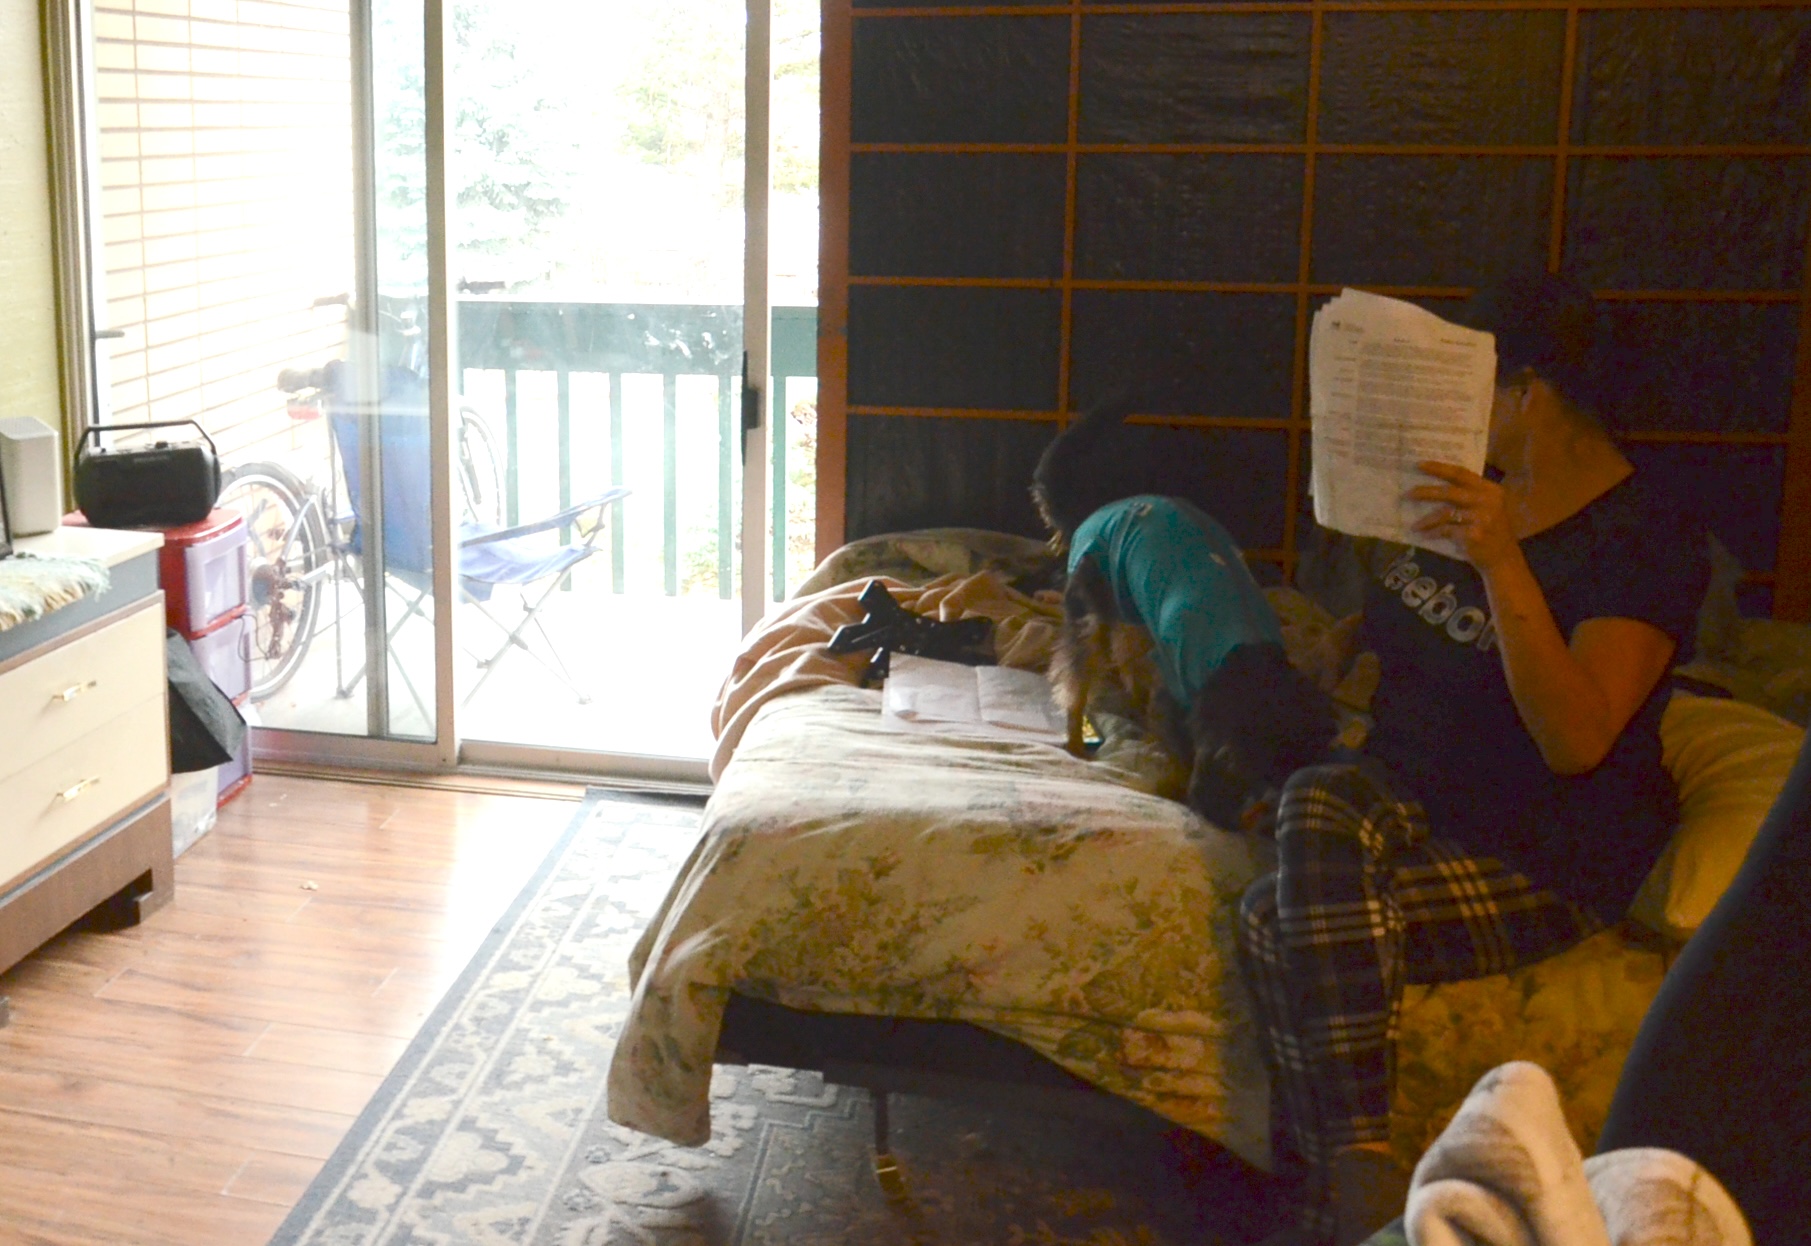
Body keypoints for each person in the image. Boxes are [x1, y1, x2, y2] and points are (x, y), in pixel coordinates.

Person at [1235, 273, 1709, 1246]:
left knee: (1271, 913)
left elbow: (1574, 739)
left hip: (1542, 845)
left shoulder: (1642, 538)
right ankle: (1353, 1184)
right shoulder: (1470, 497)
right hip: (1412, 792)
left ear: (1526, 394)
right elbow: (1390, 649)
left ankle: (1338, 1182)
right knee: (1312, 813)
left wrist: (1501, 562)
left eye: (1471, 387)